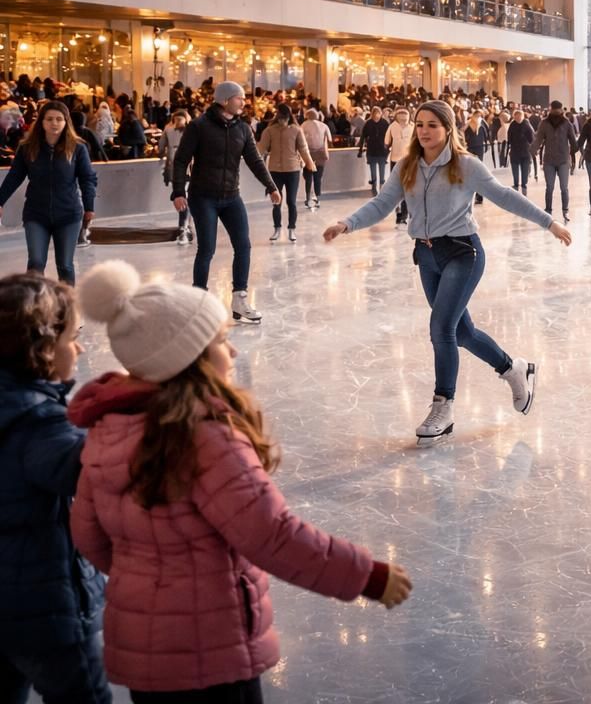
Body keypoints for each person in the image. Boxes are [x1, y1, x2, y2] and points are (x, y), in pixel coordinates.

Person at [70, 261, 413, 699]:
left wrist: (146, 579)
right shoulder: (205, 437)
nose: (232, 354)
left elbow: (88, 533)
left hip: (144, 652)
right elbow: (271, 533)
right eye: (221, 342)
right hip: (212, 648)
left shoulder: (105, 430)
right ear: (186, 360)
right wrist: (367, 575)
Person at [326, 102, 572, 443]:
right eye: (420, 125)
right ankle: (513, 369)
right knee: (461, 333)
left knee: (441, 329)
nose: (424, 131)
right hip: (426, 256)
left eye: (433, 125)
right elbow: (382, 204)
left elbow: (504, 196)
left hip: (462, 252)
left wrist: (550, 222)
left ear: (448, 129)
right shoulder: (406, 166)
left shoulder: (465, 165)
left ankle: (443, 405)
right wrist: (347, 224)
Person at [0, 273, 110, 704]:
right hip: (46, 612)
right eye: (72, 336)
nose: (79, 347)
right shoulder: (40, 423)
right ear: (43, 348)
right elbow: (92, 470)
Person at [171, 81, 281, 322]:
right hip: (203, 197)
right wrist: (178, 191)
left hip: (231, 196)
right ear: (224, 100)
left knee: (243, 245)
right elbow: (180, 160)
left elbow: (255, 161)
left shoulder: (242, 129)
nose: (243, 102)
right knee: (207, 249)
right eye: (239, 98)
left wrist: (271, 185)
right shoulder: (199, 127)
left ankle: (240, 300)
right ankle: (198, 301)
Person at [0, 100, 97, 285]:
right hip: (36, 214)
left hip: (68, 214)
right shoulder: (27, 147)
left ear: (66, 122)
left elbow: (88, 178)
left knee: (65, 266)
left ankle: (67, 309)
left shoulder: (77, 148)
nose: (54, 123)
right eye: (50, 119)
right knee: (36, 263)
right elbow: (14, 177)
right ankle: (35, 307)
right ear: (42, 122)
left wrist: (89, 206)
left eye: (59, 119)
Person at [257, 103, 315, 244]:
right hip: (275, 170)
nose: (283, 121)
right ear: (278, 117)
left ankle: (291, 229)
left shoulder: (296, 130)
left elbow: (303, 148)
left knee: (291, 202)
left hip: (292, 170)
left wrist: (309, 163)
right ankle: (277, 229)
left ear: (289, 117)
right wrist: (255, 161)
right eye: (281, 118)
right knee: (277, 201)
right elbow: (261, 149)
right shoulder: (270, 131)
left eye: (285, 118)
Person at [532, 100, 579, 223]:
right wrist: (532, 150)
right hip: (549, 161)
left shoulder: (566, 123)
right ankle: (548, 211)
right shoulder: (544, 123)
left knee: (564, 187)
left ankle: (565, 210)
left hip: (563, 160)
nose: (556, 112)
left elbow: (573, 140)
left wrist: (575, 150)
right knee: (550, 187)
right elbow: (538, 139)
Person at [161, 109, 193, 243]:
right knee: (183, 197)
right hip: (182, 168)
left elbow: (161, 146)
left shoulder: (169, 130)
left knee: (183, 197)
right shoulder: (191, 130)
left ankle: (184, 227)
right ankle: (185, 227)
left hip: (181, 168)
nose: (179, 122)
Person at [385, 107, 414, 225]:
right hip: (396, 160)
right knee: (399, 188)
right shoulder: (392, 127)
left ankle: (404, 214)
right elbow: (386, 142)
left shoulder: (413, 127)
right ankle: (399, 213)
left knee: (407, 188)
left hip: (408, 160)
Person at [301, 107, 331, 209]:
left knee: (308, 178)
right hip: (321, 155)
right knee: (318, 178)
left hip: (308, 154)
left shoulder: (304, 125)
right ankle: (318, 199)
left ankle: (308, 198)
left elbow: (300, 140)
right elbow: (330, 139)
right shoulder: (324, 126)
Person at [358, 105, 391, 194]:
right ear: (372, 114)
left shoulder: (385, 123)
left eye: (378, 113)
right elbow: (363, 137)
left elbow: (390, 136)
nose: (376, 116)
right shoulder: (368, 124)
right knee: (373, 170)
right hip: (372, 150)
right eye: (375, 114)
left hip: (382, 150)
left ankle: (381, 186)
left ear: (381, 114)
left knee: (382, 169)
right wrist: (360, 150)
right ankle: (374, 186)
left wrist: (389, 148)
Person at [506, 107, 535, 195]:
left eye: (520, 116)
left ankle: (523, 186)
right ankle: (516, 185)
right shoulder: (513, 125)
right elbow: (509, 138)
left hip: (524, 152)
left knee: (524, 170)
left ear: (522, 116)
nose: (518, 118)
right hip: (516, 152)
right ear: (514, 117)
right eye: (516, 117)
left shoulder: (526, 124)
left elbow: (531, 138)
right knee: (516, 170)